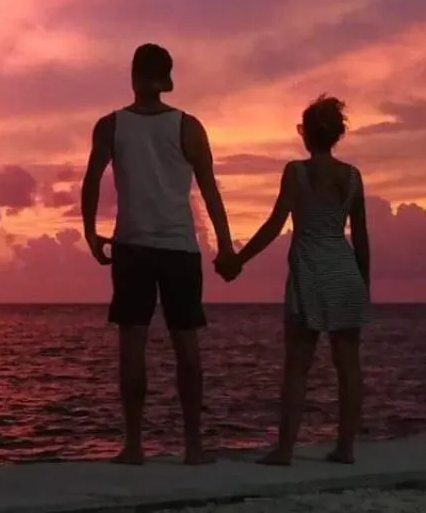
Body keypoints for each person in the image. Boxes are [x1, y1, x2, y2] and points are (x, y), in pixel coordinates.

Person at [82, 43, 237, 466]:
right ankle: (193, 446)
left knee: (132, 345)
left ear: (133, 76)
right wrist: (225, 245)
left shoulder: (110, 126)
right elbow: (209, 189)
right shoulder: (189, 127)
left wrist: (89, 232)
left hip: (133, 247)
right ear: (167, 81)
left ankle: (134, 445)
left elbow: (91, 181)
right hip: (178, 250)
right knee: (186, 347)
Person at [219, 94, 370, 465]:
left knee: (298, 365)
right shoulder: (352, 177)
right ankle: (346, 448)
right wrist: (364, 285)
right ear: (337, 135)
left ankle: (285, 449)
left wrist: (238, 260)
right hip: (344, 269)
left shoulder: (296, 172)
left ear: (306, 135)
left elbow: (274, 225)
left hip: (311, 269)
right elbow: (362, 237)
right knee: (348, 365)